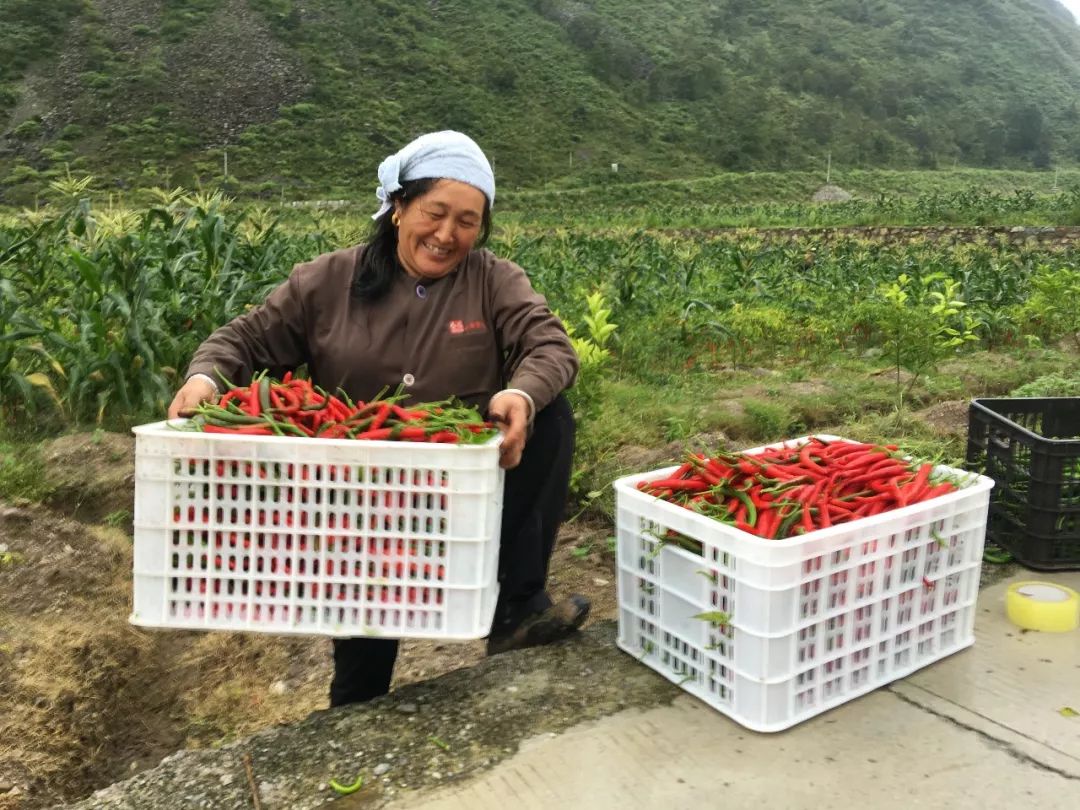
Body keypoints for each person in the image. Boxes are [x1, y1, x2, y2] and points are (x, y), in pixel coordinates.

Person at [167, 130, 590, 707]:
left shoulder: (493, 279)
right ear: (398, 207)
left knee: (552, 414)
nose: (447, 235)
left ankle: (517, 609)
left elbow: (550, 345)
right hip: (362, 485)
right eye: (434, 212)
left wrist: (520, 393)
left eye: (467, 221)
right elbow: (243, 339)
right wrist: (205, 378)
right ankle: (357, 701)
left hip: (462, 476)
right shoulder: (327, 281)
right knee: (367, 632)